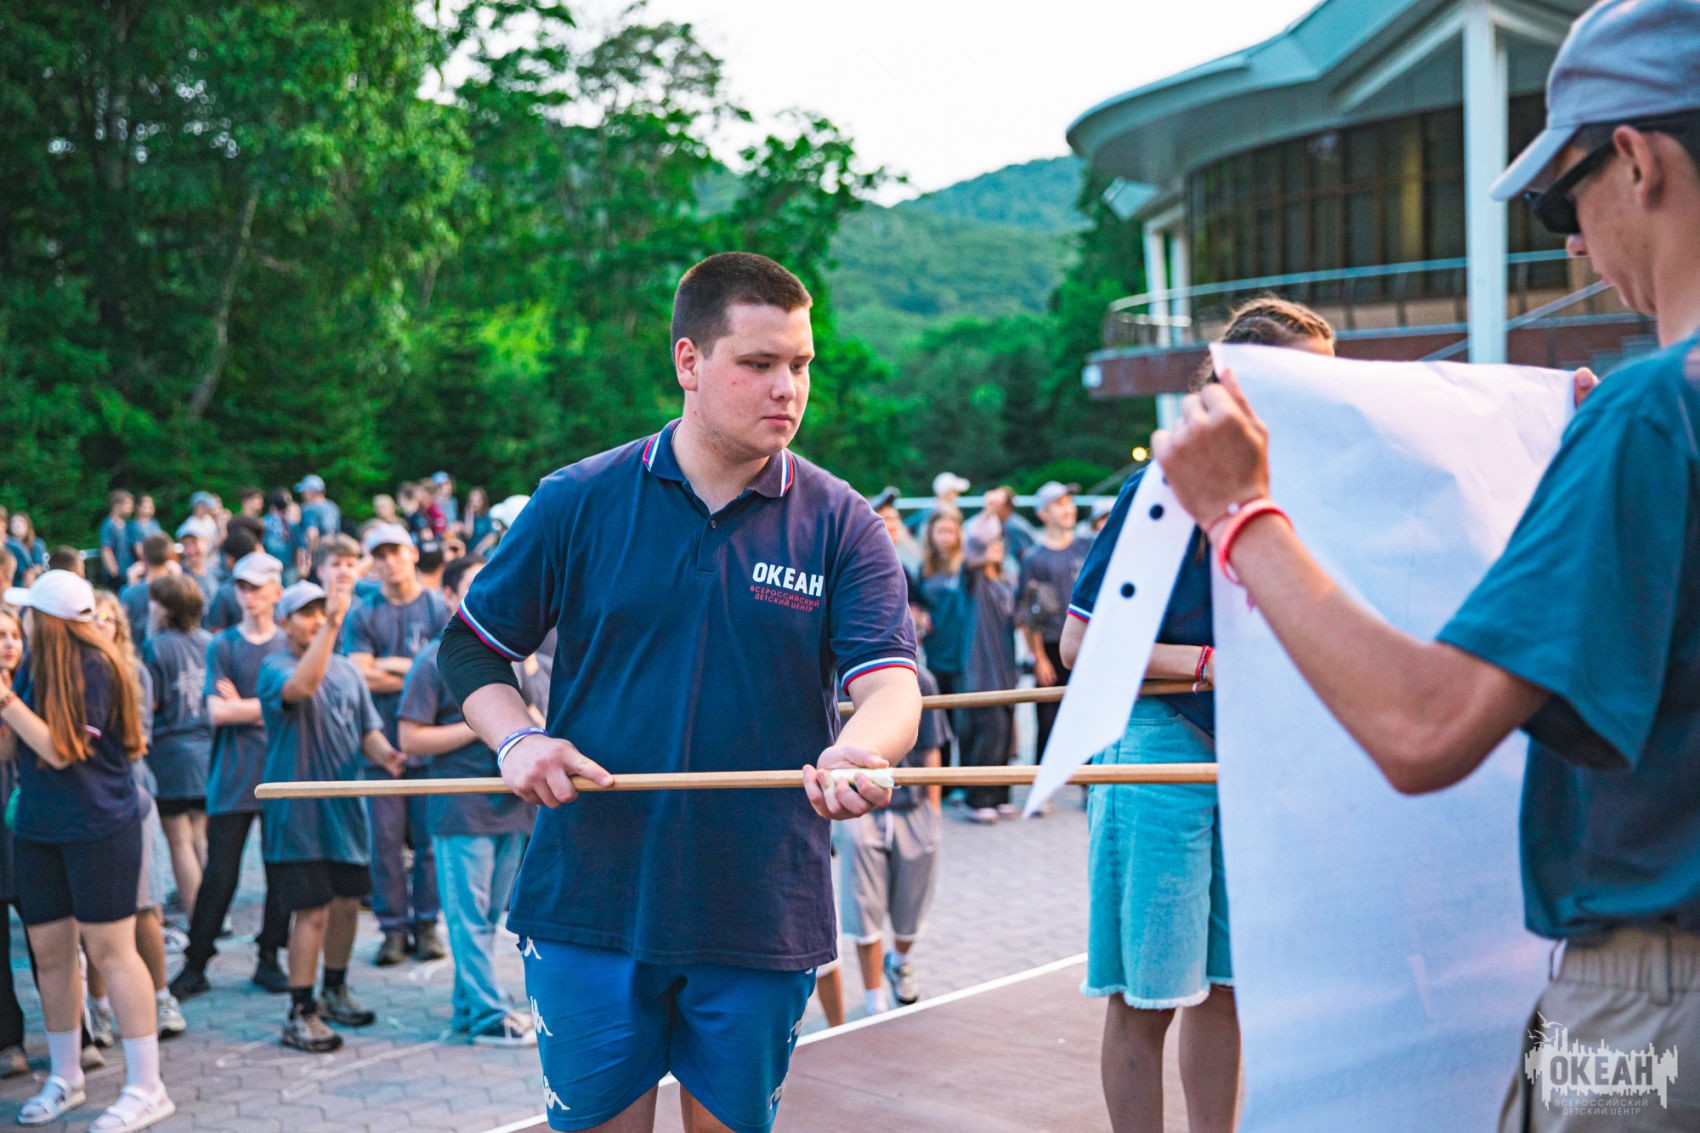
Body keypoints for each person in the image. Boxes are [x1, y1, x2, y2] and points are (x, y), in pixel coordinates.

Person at [1152, 5, 1700, 1129]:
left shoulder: (1652, 415)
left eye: (1562, 197)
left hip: (1655, 1005)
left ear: (1638, 159)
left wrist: (1241, 511)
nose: (1571, 243)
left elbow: (1423, 727)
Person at [437, 251, 920, 1133]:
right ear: (689, 362)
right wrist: (518, 739)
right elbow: (471, 649)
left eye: (800, 364)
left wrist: (863, 748)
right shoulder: (577, 498)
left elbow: (890, 682)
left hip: (760, 906)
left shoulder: (843, 520)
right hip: (591, 900)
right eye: (758, 362)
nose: (787, 388)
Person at [1061, 296, 1336, 1133]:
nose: (1322, 398)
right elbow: (1078, 643)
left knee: (1228, 988)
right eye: (1302, 380)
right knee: (1147, 997)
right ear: (1235, 382)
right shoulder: (1166, 484)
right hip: (1159, 746)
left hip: (1247, 756)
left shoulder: (1296, 491)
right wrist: (1209, 663)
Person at [0, 571, 174, 1130]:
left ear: (49, 621)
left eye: (30, 613)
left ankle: (147, 1087)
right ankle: (66, 1076)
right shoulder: (33, 665)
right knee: (49, 953)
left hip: (99, 828)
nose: (22, 622)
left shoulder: (97, 666)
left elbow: (61, 750)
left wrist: (6, 699)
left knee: (111, 951)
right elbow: (14, 748)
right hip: (39, 827)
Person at [397, 554, 538, 1046]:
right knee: (469, 921)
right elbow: (410, 739)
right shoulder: (433, 659)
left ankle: (468, 1008)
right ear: (450, 596)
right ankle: (487, 1015)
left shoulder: (518, 656)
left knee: (488, 919)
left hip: (513, 806)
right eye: (474, 587)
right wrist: (487, 725)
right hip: (461, 808)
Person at [259, 580, 405, 1052]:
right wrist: (334, 627)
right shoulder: (274, 666)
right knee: (313, 912)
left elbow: (367, 731)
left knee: (345, 906)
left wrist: (389, 757)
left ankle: (335, 989)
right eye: (306, 613)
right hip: (298, 814)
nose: (318, 620)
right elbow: (301, 688)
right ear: (283, 623)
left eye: (323, 612)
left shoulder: (348, 672)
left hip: (346, 812)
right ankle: (301, 1011)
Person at [170, 552, 293, 1000]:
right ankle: (196, 962)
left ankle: (269, 956)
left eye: (256, 587)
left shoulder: (289, 643)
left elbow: (299, 702)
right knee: (220, 874)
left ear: (276, 592)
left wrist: (246, 704)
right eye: (241, 586)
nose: (247, 595)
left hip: (280, 773)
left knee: (282, 870)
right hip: (234, 774)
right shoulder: (222, 645)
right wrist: (273, 703)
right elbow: (217, 712)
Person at [836, 533, 951, 1012]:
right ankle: (872, 996)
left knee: (911, 902)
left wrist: (934, 812)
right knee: (862, 903)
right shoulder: (833, 677)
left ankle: (900, 960)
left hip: (909, 803)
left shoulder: (920, 678)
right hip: (857, 807)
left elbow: (932, 749)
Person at [343, 522, 448, 966]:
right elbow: (358, 673)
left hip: (429, 742)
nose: (389, 562)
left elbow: (447, 667)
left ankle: (426, 924)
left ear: (412, 553)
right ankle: (393, 929)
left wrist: (389, 664)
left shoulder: (438, 606)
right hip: (378, 745)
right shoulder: (363, 613)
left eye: (396, 552)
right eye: (380, 554)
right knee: (384, 845)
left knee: (428, 844)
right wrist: (417, 669)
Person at [90, 591, 188, 1043]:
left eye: (107, 617)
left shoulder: (135, 673)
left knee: (145, 902)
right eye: (90, 617)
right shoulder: (66, 674)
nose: (99, 624)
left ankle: (162, 997)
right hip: (84, 801)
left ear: (119, 626)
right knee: (92, 910)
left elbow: (136, 740)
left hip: (129, 792)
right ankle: (98, 1008)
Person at [143, 572, 214, 929]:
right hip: (207, 749)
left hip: (171, 751)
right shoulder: (208, 641)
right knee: (200, 833)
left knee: (179, 839)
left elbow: (151, 701)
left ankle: (198, 917)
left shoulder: (156, 646)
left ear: (166, 608)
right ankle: (216, 914)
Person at [1018, 483, 1090, 763]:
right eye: (1058, 504)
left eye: (1069, 502)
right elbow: (1028, 613)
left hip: (1087, 645)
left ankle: (1090, 778)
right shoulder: (1035, 558)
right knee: (1048, 718)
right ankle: (1044, 777)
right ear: (1043, 513)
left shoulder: (1087, 547)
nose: (1067, 508)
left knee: (1087, 716)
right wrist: (1038, 658)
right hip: (1052, 645)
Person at [956, 529, 1018, 823]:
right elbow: (969, 560)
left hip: (1005, 666)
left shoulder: (1003, 580)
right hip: (981, 668)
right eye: (989, 543)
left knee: (1005, 733)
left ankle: (1000, 795)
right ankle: (978, 798)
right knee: (990, 732)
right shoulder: (974, 579)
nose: (995, 546)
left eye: (998, 543)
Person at [0, 607, 27, 1077]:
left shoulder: (35, 686)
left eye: (14, 635)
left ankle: (79, 1032)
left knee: (51, 938)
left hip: (30, 828)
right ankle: (8, 1041)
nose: (7, 644)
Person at [917, 506, 970, 703]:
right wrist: (921, 615)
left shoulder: (967, 566)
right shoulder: (925, 568)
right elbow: (918, 601)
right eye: (940, 531)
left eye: (950, 532)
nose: (945, 537)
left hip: (962, 649)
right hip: (936, 647)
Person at [119, 535, 176, 649]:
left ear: (143, 556)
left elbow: (122, 629)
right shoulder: (177, 589)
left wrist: (130, 586)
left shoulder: (128, 593)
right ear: (170, 556)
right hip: (172, 651)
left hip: (138, 653)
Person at [100, 490, 136, 588]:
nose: (131, 508)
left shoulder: (126, 525)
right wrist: (113, 570)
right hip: (116, 574)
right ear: (117, 505)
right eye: (127, 504)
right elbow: (106, 549)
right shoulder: (108, 525)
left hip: (127, 571)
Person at [9, 513, 49, 582]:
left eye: (21, 521)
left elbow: (40, 567)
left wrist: (30, 572)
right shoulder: (7, 544)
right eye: (13, 522)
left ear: (27, 525)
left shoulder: (37, 544)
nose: (17, 524)